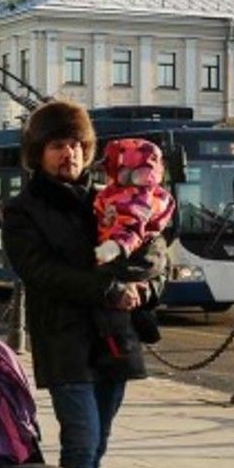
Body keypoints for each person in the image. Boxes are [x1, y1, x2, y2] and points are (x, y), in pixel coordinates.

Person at [2, 101, 164, 468]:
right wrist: (106, 288)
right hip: (66, 341)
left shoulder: (111, 196)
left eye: (75, 144)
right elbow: (41, 274)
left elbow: (153, 246)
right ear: (38, 153)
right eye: (57, 145)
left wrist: (144, 286)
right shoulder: (22, 209)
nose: (68, 153)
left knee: (95, 449)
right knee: (83, 442)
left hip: (115, 338)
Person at [92, 137, 174, 359]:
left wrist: (138, 289)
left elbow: (133, 227)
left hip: (121, 253)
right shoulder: (103, 196)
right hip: (92, 340)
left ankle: (139, 326)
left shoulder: (143, 200)